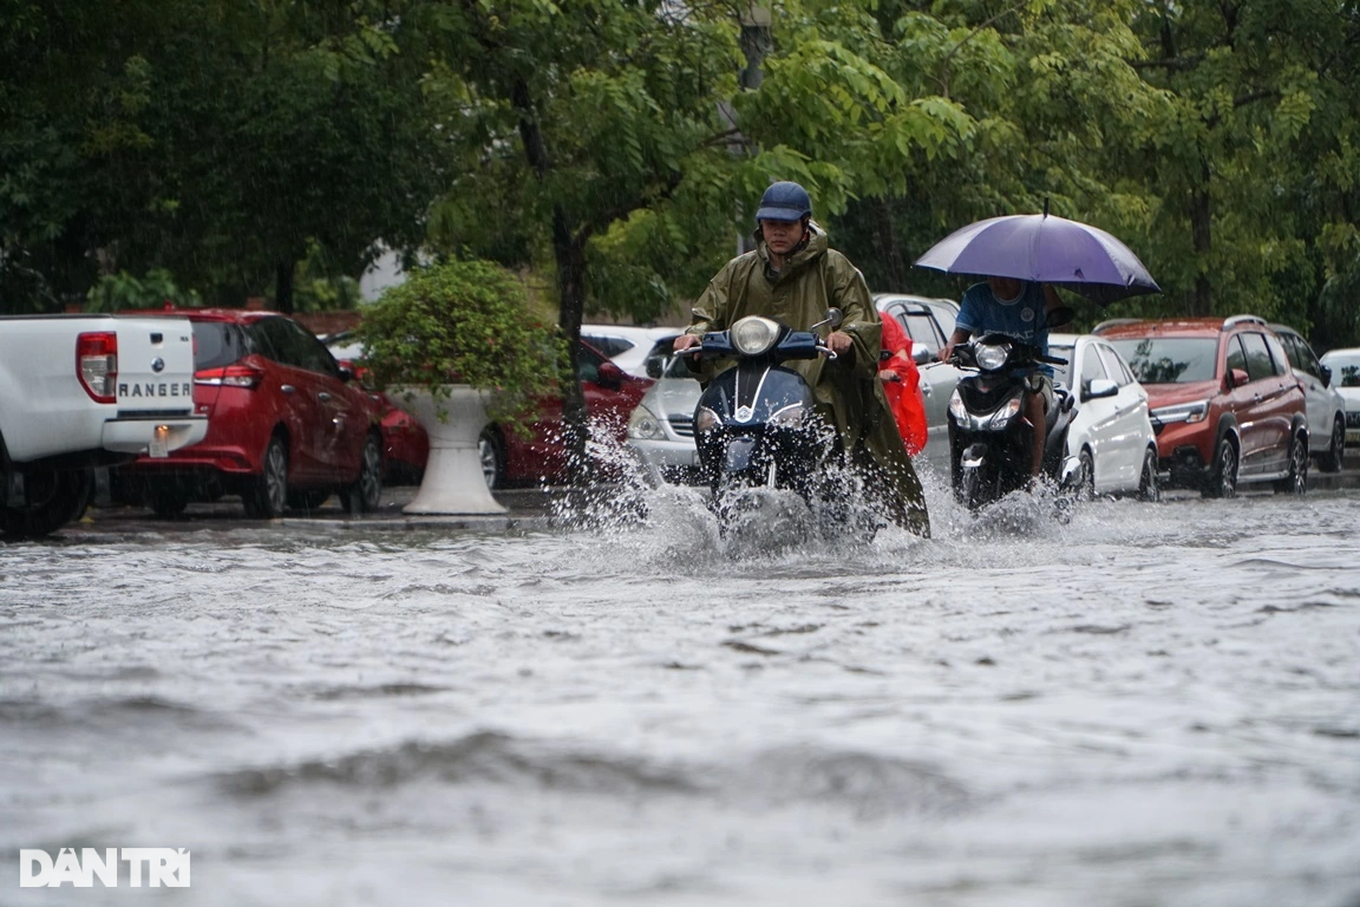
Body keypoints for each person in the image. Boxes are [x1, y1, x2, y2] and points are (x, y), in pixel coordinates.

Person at [673, 181, 930, 536]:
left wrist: (847, 337)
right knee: (714, 421)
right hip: (750, 385)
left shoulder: (834, 267)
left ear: (805, 224)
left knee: (835, 428)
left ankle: (844, 517)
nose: (777, 231)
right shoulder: (738, 270)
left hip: (820, 380)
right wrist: (695, 335)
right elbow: (706, 314)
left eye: (787, 224)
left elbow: (861, 318)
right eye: (770, 223)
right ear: (760, 226)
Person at [938, 275, 1064, 481]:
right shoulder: (976, 295)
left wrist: (1047, 288)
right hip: (990, 377)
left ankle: (1035, 478)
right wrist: (949, 347)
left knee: (1034, 401)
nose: (998, 283)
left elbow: (1062, 326)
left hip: (1033, 374)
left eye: (1005, 279)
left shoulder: (1037, 293)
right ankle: (956, 476)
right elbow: (960, 332)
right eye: (992, 277)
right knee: (959, 399)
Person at [878, 312, 928, 456]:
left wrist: (890, 371)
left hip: (887, 394)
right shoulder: (832, 324)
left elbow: (901, 355)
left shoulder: (883, 321)